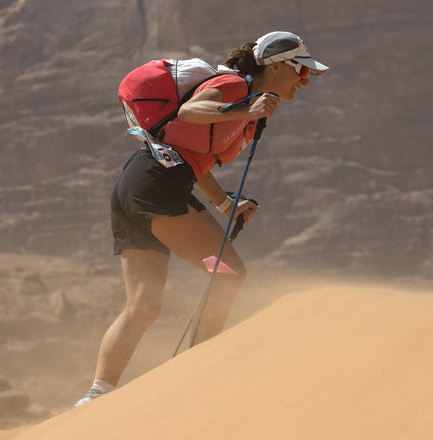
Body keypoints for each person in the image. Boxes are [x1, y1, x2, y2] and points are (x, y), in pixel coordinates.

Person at [75, 31, 329, 407]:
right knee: (229, 274)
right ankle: (195, 371)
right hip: (157, 187)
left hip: (141, 185)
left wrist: (226, 205)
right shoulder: (232, 85)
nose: (304, 82)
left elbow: (191, 157)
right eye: (301, 73)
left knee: (143, 306)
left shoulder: (245, 98)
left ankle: (96, 396)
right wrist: (249, 110)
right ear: (277, 67)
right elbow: (190, 111)